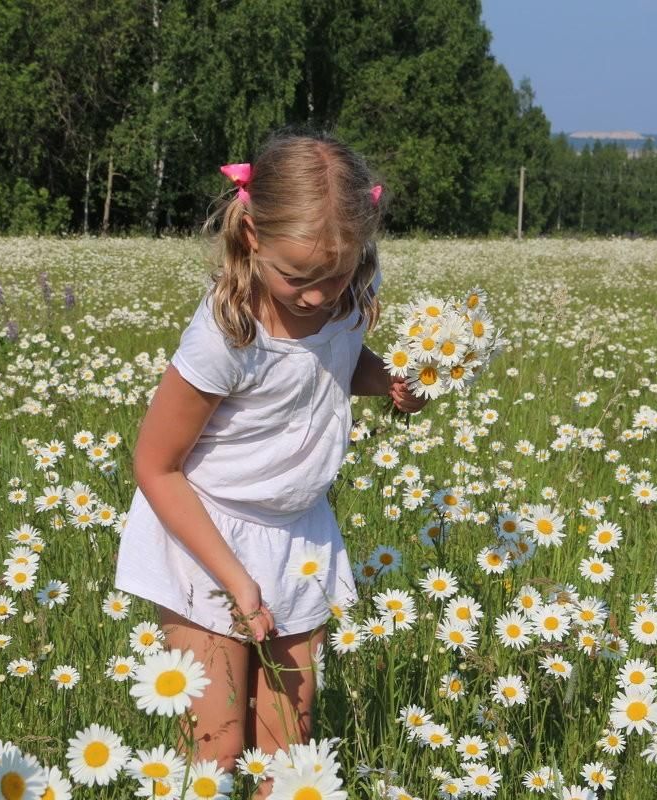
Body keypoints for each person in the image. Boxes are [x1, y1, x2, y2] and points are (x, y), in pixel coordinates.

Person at [113, 129, 428, 794]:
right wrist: (234, 579)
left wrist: (390, 382)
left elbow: (335, 366)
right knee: (218, 748)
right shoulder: (226, 336)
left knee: (289, 749)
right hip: (206, 536)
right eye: (297, 277)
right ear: (252, 236)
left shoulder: (346, 307)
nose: (316, 296)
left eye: (335, 274)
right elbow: (156, 465)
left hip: (298, 538)